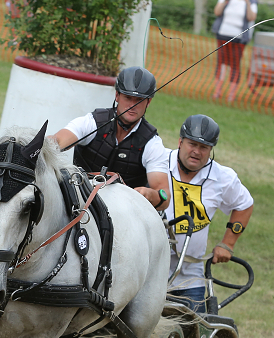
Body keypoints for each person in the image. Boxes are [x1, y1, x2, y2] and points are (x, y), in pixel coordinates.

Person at [166, 114, 254, 313]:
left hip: (191, 277)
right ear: (180, 142)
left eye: (204, 147)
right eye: (192, 144)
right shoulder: (157, 163)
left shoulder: (222, 178)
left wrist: (227, 244)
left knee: (193, 337)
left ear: (211, 150)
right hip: (149, 271)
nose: (197, 151)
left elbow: (245, 204)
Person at [52, 66, 171, 211]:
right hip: (79, 202)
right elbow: (57, 141)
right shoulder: (92, 122)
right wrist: (41, 144)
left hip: (125, 213)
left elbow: (164, 196)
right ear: (117, 95)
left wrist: (150, 195)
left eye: (139, 100)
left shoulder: (152, 143)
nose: (132, 105)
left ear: (148, 102)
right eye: (128, 97)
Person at [211, 0, 258, 102]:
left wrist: (247, 2)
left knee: (235, 65)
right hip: (222, 34)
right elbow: (217, 12)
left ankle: (231, 94)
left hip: (239, 38)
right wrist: (226, 0)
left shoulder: (251, 0)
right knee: (221, 63)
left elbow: (251, 17)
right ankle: (217, 92)